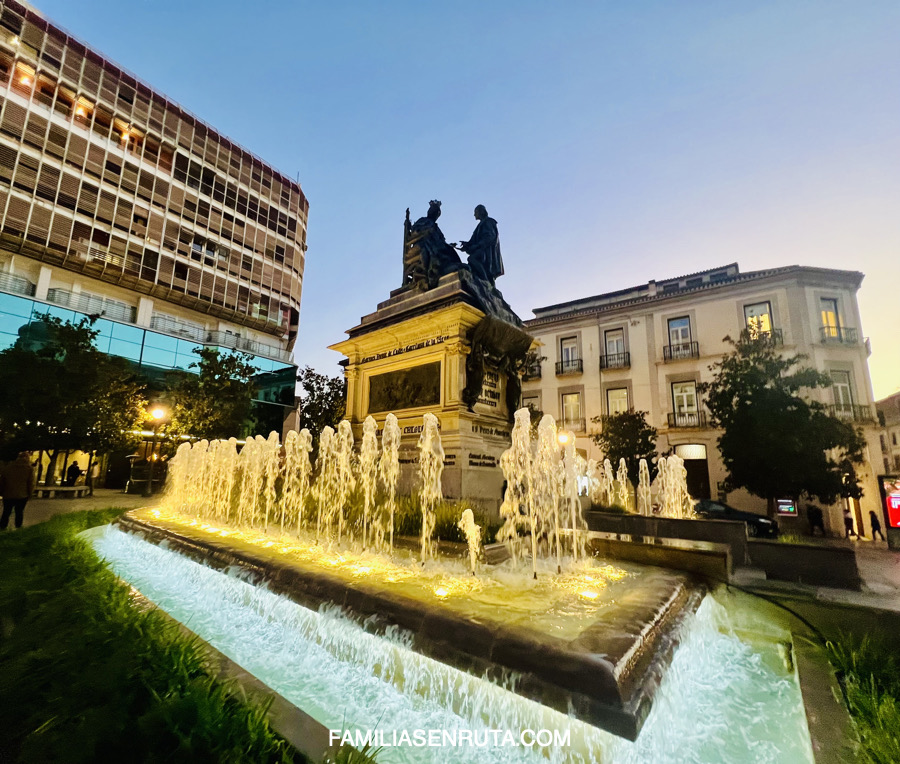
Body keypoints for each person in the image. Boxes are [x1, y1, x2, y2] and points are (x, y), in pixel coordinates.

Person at [458, 205, 504, 286]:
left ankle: (485, 280)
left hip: (487, 252)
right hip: (482, 250)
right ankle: (486, 281)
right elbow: (473, 241)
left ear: (480, 212)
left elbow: (490, 236)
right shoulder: (482, 224)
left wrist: (476, 246)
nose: (474, 215)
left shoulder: (488, 222)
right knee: (473, 263)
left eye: (475, 212)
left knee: (472, 258)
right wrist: (467, 245)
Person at [0, 452, 36, 530]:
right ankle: (18, 528)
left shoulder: (8, 468)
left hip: (8, 494)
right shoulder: (29, 469)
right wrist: (30, 494)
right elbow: (31, 483)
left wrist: (2, 492)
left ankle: (2, 527)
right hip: (22, 495)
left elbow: (2, 481)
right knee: (19, 512)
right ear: (27, 458)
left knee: (6, 512)